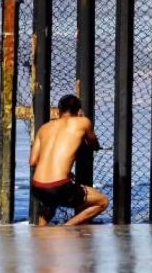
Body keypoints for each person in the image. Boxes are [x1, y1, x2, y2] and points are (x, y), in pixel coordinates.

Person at [30, 94, 108, 226]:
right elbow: (94, 144)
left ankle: (40, 233)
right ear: (79, 111)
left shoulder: (44, 128)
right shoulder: (83, 122)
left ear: (57, 111)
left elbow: (33, 161)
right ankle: (67, 227)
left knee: (49, 206)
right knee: (102, 202)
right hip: (59, 187)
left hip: (37, 187)